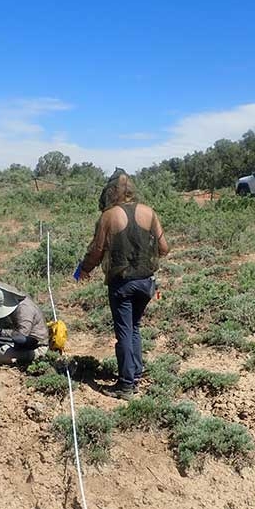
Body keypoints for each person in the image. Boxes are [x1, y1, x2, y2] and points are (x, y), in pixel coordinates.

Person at [79, 169, 169, 400]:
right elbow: (164, 248)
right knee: (135, 328)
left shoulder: (109, 216)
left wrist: (83, 270)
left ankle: (126, 386)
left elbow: (97, 251)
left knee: (125, 333)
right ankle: (135, 373)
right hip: (146, 283)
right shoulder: (149, 212)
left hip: (122, 285)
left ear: (112, 192)